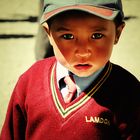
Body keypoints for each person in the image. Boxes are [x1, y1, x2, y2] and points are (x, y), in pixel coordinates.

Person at [1, 0, 140, 139]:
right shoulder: (30, 81)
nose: (82, 52)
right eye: (68, 36)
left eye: (96, 35)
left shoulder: (129, 92)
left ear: (118, 33)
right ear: (48, 33)